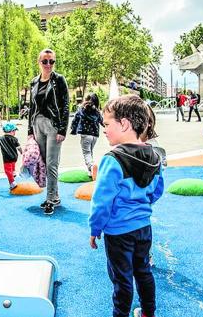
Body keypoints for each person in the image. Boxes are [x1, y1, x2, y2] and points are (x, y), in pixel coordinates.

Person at [89, 94, 164, 317]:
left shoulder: (112, 159)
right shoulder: (154, 155)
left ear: (124, 124)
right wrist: (141, 206)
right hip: (143, 228)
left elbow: (102, 201)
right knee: (143, 271)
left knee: (121, 279)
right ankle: (148, 312)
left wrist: (95, 229)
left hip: (118, 231)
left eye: (107, 124)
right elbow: (157, 190)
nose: (104, 129)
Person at [27, 48, 69, 216]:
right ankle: (55, 195)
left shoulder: (59, 80)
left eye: (51, 61)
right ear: (39, 62)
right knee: (44, 161)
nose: (48, 64)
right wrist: (30, 131)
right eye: (45, 61)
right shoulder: (34, 82)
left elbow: (66, 105)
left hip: (53, 125)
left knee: (52, 163)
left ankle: (51, 199)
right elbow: (31, 107)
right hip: (37, 124)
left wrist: (62, 129)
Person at [70, 93, 104, 177]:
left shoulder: (81, 109)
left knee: (86, 153)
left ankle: (92, 167)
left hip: (85, 134)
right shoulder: (97, 111)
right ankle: (91, 172)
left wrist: (73, 130)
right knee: (90, 152)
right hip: (95, 135)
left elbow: (75, 120)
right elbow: (102, 122)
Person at [0, 122, 23, 190]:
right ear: (11, 131)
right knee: (12, 165)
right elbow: (19, 147)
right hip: (14, 157)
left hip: (6, 158)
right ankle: (13, 172)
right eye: (14, 131)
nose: (15, 133)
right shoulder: (14, 139)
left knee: (7, 171)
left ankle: (12, 183)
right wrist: (21, 152)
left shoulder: (0, 139)